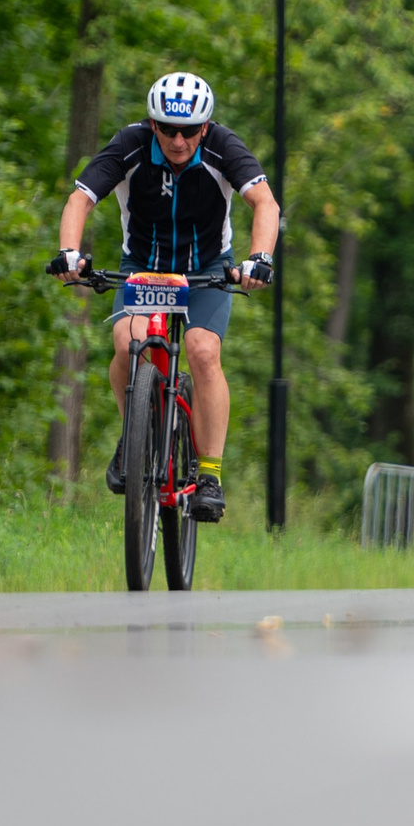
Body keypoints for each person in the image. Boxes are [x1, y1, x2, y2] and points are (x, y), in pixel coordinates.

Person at [47, 72, 278, 522]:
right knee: (126, 344)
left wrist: (260, 258)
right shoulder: (129, 144)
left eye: (189, 131)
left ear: (204, 127)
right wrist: (69, 252)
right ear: (152, 124)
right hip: (143, 268)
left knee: (203, 351)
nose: (178, 140)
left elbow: (265, 203)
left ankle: (209, 475)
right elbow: (80, 199)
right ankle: (134, 435)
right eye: (168, 129)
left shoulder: (224, 146)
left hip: (206, 268)